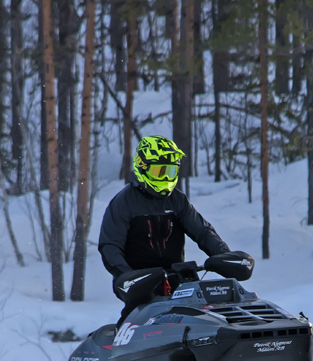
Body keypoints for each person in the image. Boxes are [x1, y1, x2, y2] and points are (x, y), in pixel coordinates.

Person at [98, 135, 239, 320]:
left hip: (180, 277)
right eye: (159, 171)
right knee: (136, 319)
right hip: (140, 283)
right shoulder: (123, 203)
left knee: (211, 314)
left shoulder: (177, 200)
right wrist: (127, 276)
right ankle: (122, 343)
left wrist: (223, 256)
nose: (165, 177)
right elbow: (110, 246)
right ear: (143, 167)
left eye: (170, 172)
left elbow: (203, 231)